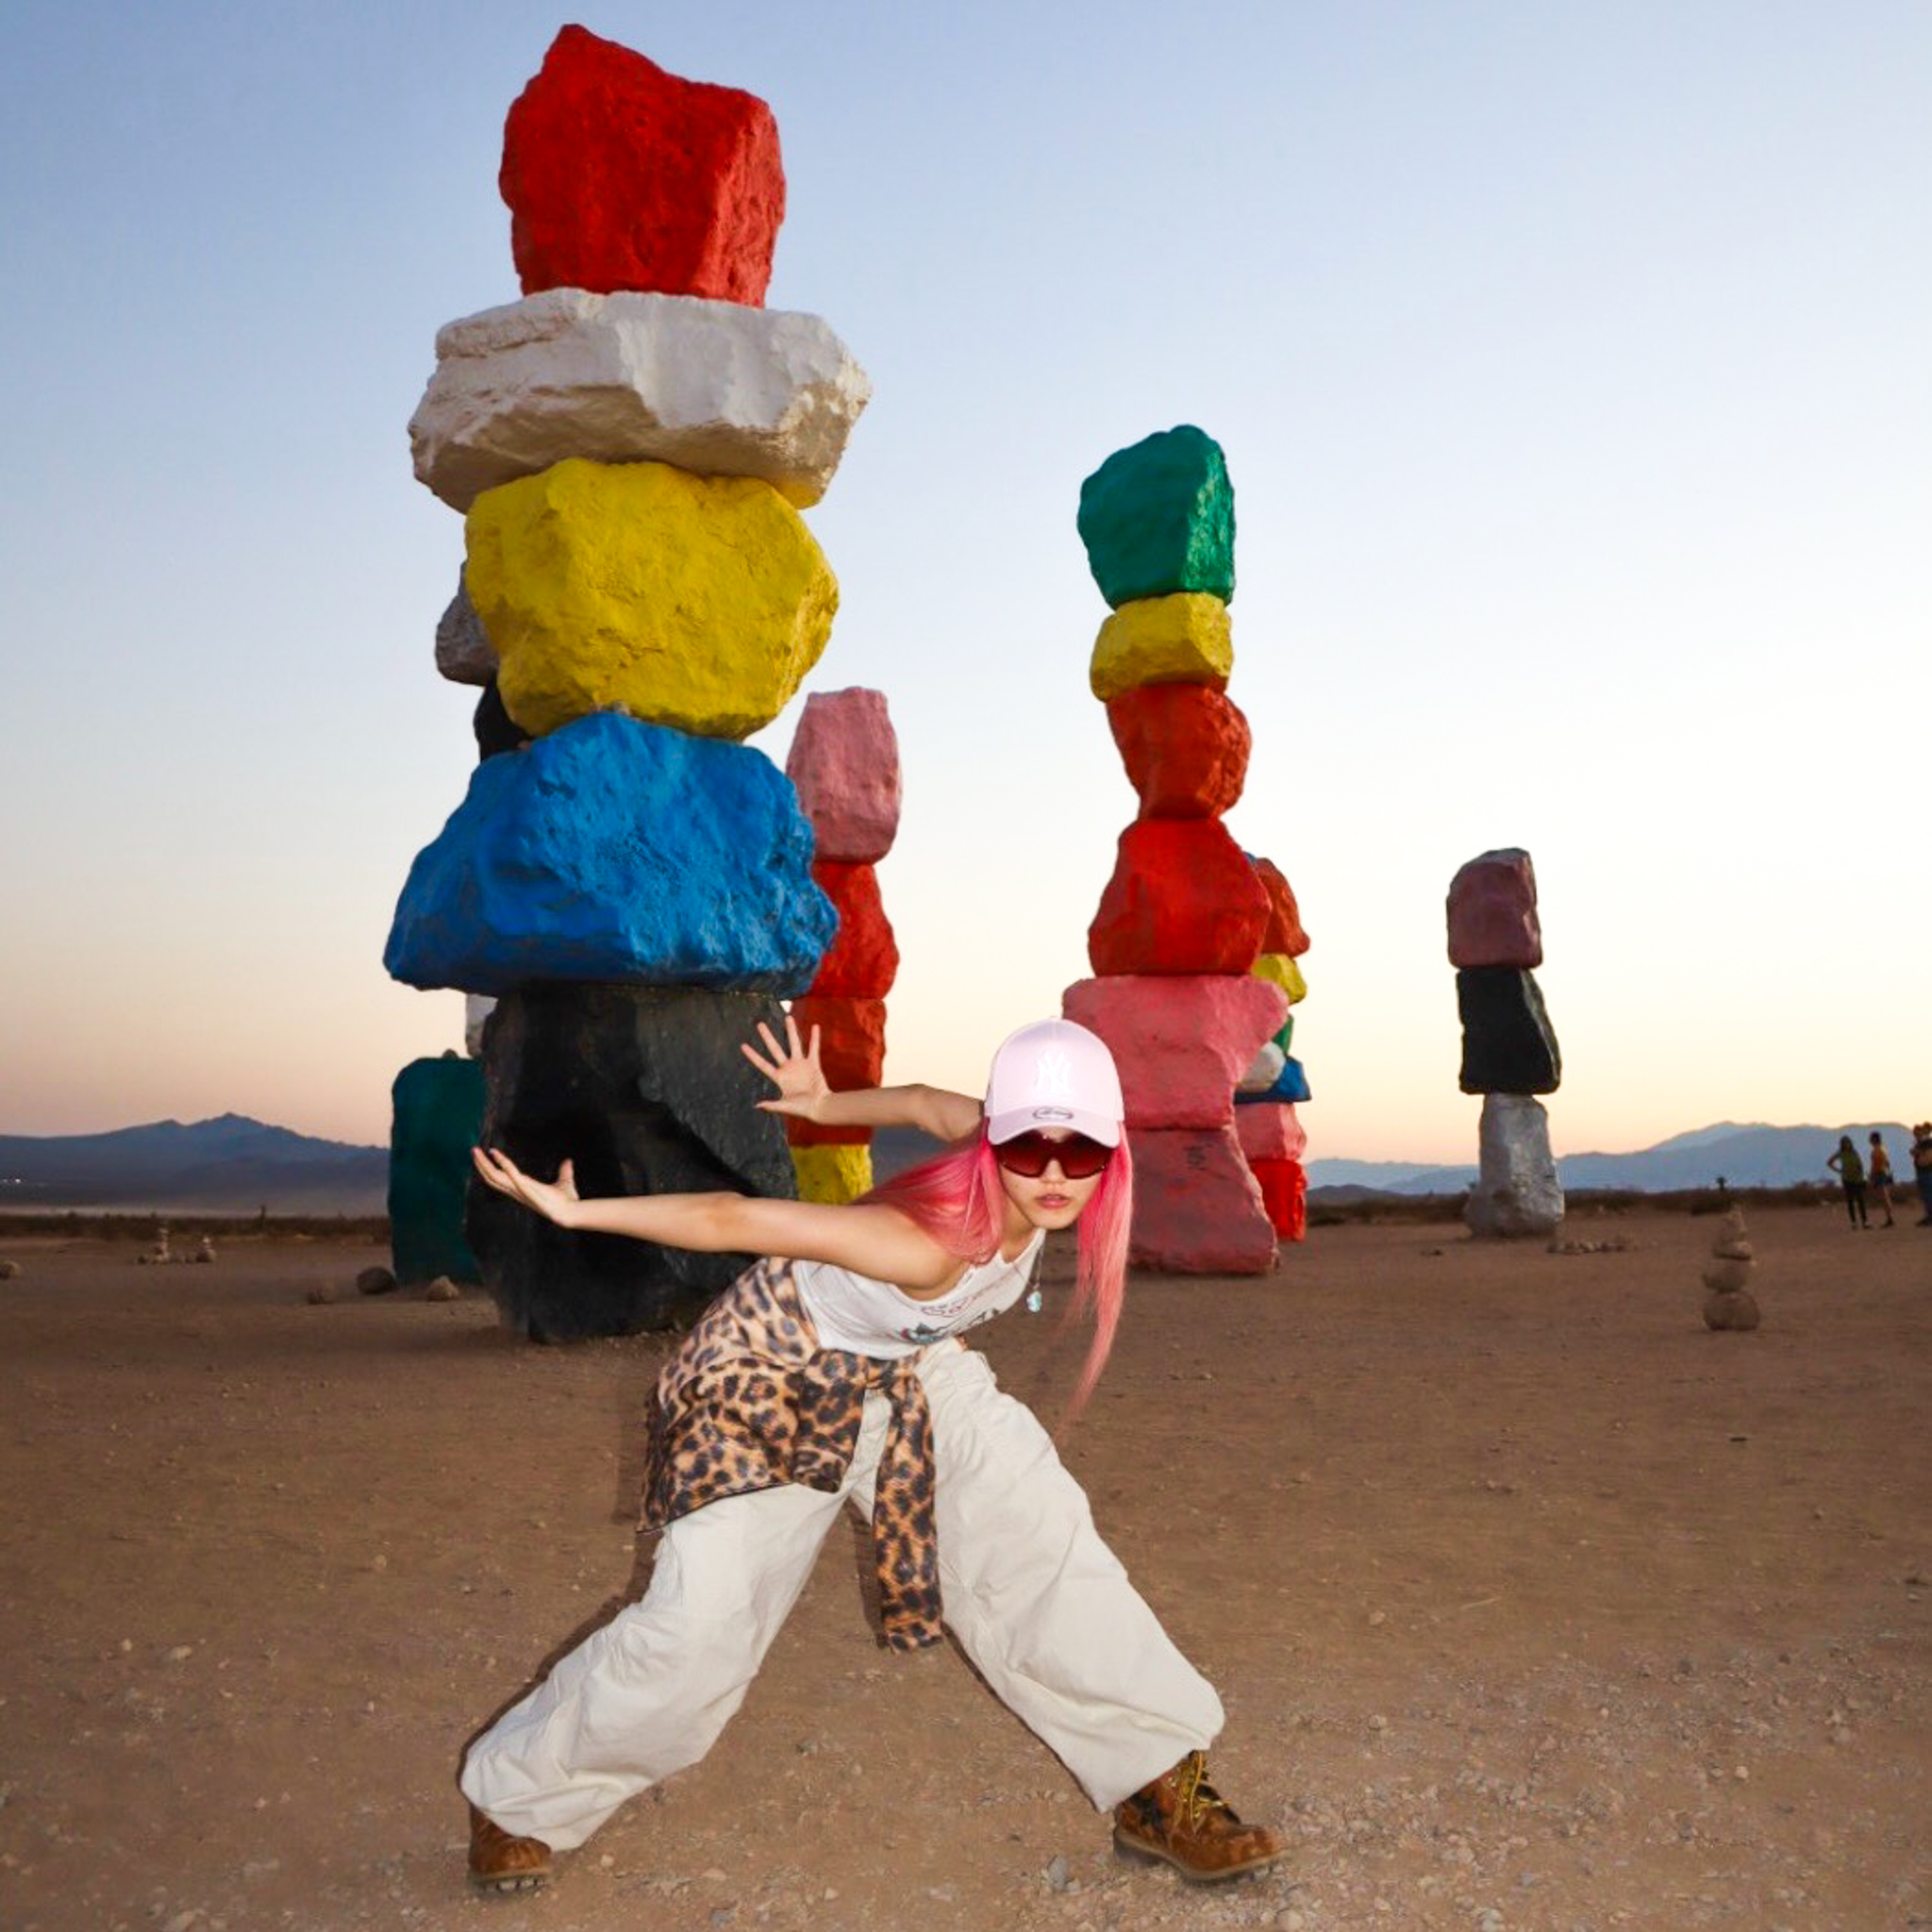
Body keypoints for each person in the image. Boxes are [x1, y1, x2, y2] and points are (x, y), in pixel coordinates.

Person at [458, 1015, 1283, 1894]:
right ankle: (518, 1798)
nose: (1050, 1173)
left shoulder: (1005, 1139)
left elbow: (929, 1104)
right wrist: (575, 1210)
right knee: (697, 1637)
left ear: (1111, 1151)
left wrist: (829, 1102)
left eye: (1079, 1151)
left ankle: (1157, 1788)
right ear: (998, 1135)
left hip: (908, 1365)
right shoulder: (920, 1245)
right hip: (766, 1386)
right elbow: (730, 1217)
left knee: (1038, 1537)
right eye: (1030, 1145)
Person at [1825, 1134, 1868, 1229]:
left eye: (1847, 1143)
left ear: (1850, 1143)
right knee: (1850, 1201)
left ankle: (1865, 1221)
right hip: (1847, 1179)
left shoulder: (1854, 1152)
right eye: (1844, 1143)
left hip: (1857, 1178)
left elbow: (1860, 1164)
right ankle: (1853, 1222)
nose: (1846, 1145)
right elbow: (1829, 1162)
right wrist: (1839, 1170)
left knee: (1860, 1200)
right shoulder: (1840, 1153)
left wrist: (1862, 1176)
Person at [1866, 1131, 1897, 1228]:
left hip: (1879, 1174)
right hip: (1883, 1173)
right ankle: (1889, 1218)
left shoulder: (1876, 1150)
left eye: (1871, 1138)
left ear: (1874, 1139)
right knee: (1885, 1197)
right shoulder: (1883, 1149)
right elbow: (1887, 1163)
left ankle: (1890, 1218)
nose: (1869, 1140)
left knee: (1884, 1197)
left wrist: (1871, 1175)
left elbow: (1875, 1164)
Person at [1911, 1123, 1932, 1227]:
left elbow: (1927, 1156)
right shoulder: (1921, 1142)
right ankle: (1928, 1215)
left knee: (1928, 1194)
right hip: (1921, 1170)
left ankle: (1929, 1217)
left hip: (1926, 1171)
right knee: (1925, 1195)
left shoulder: (1928, 1142)